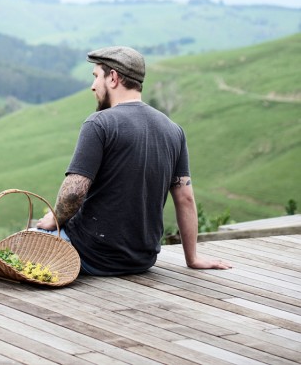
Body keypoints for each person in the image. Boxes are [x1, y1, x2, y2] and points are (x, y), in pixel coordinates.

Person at [37, 45, 232, 275]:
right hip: (142, 260)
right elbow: (185, 198)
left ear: (113, 78)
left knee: (24, 242)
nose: (93, 86)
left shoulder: (99, 124)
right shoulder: (174, 131)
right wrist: (193, 258)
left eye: (96, 76)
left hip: (90, 255)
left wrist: (54, 220)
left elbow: (73, 192)